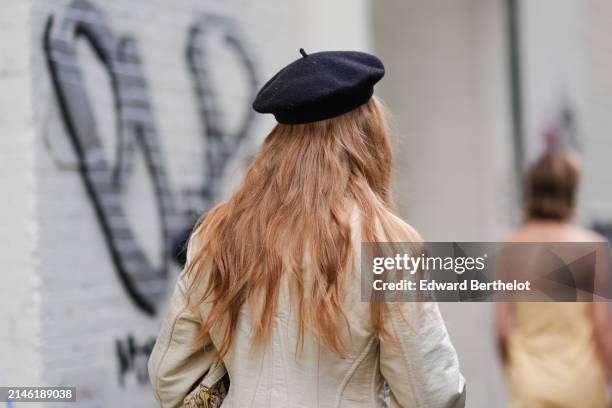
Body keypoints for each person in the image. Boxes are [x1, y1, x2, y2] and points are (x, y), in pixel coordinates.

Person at [148, 49, 466, 407]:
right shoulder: (386, 242)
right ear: (366, 136)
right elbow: (433, 395)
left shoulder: (217, 233)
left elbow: (170, 379)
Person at [496, 148, 610, 407]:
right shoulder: (592, 246)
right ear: (571, 191)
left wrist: (516, 373)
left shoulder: (509, 247)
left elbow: (503, 331)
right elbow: (602, 328)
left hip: (529, 385)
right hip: (583, 385)